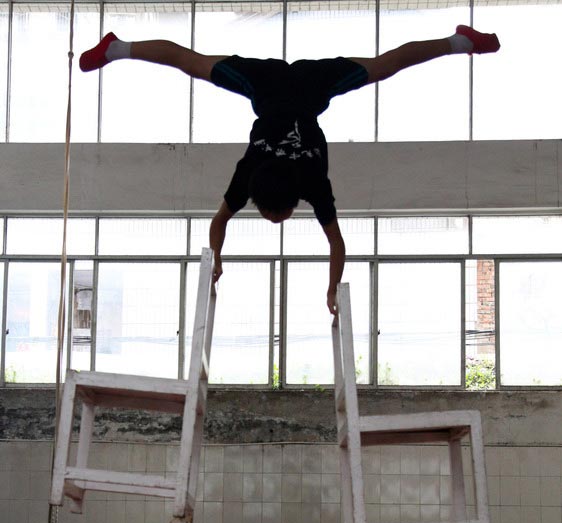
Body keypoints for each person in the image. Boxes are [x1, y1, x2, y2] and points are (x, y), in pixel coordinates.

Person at [80, 26, 500, 314]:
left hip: (284, 85)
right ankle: (458, 41)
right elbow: (225, 222)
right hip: (296, 86)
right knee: (190, 62)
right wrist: (219, 259)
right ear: (290, 198)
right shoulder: (292, 180)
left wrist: (220, 258)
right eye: (277, 216)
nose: (277, 220)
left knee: (381, 67)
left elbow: (330, 243)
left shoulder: (295, 181)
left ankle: (461, 41)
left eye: (273, 216)